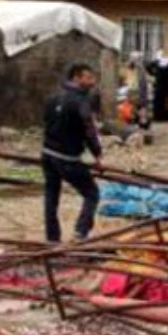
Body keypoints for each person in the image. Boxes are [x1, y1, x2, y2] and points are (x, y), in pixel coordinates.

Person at [42, 63, 103, 243]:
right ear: (76, 78)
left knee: (51, 195)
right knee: (92, 193)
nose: (92, 82)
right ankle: (80, 232)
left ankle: (52, 239)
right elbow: (88, 130)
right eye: (88, 78)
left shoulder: (52, 98)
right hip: (67, 158)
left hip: (47, 154)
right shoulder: (79, 102)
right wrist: (98, 155)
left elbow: (46, 121)